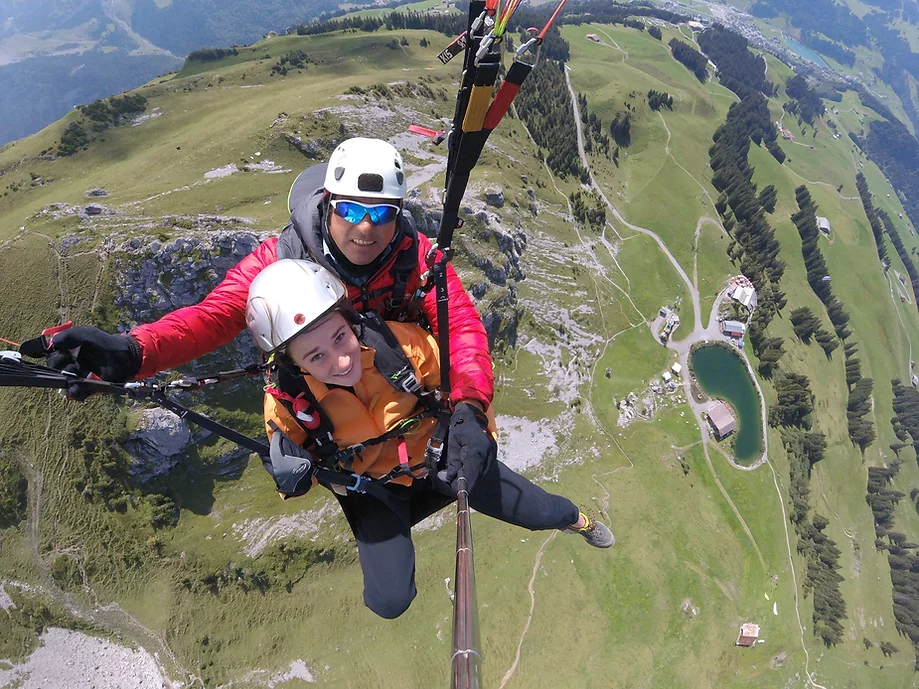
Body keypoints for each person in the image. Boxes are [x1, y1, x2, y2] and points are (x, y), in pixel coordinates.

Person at [41, 137, 494, 484]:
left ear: (398, 215)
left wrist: (470, 406)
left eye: (381, 214)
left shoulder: (416, 256)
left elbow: (462, 327)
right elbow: (215, 315)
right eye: (352, 209)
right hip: (318, 397)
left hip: (397, 379)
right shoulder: (280, 260)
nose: (365, 227)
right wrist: (136, 353)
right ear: (328, 204)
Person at [249, 259, 615, 619]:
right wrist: (291, 479)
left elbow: (461, 387)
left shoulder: (399, 347)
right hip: (374, 491)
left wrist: (477, 434)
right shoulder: (287, 405)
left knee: (543, 512)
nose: (341, 361)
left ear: (350, 322)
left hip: (442, 458)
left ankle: (578, 520)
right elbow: (297, 465)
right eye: (316, 356)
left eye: (340, 337)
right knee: (389, 602)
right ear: (294, 365)